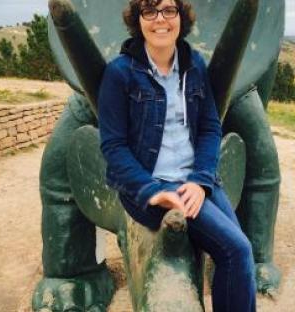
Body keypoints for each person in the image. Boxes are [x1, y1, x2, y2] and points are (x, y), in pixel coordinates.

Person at [97, 0, 256, 311]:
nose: (160, 20)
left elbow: (210, 128)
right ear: (137, 20)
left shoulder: (194, 65)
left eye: (169, 10)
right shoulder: (120, 74)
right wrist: (152, 192)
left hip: (195, 181)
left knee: (240, 252)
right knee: (236, 250)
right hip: (155, 188)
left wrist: (201, 180)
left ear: (181, 18)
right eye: (149, 11)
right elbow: (113, 147)